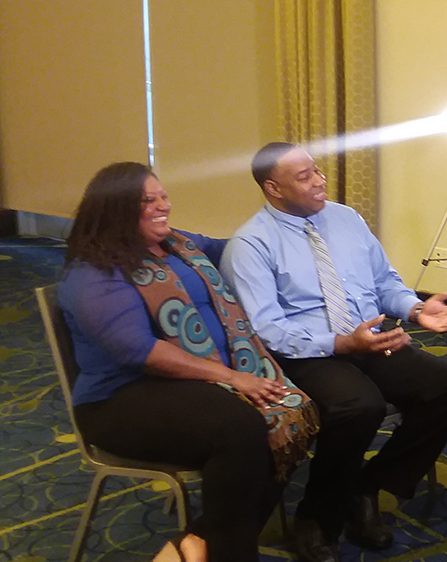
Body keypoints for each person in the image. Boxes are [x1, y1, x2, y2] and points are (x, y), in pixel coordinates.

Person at [220, 142, 447, 562]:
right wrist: (341, 343)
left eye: (316, 170)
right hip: (307, 352)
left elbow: (385, 283)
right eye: (304, 177)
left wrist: (414, 307)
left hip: (367, 339)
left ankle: (366, 485)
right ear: (273, 188)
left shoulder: (347, 220)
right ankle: (316, 517)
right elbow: (267, 330)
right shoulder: (251, 245)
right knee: (360, 406)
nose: (320, 180)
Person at [60, 162, 319, 561]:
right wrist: (233, 377)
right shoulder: (94, 273)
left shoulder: (177, 245)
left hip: (187, 385)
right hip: (119, 400)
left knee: (286, 408)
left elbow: (234, 247)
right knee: (240, 429)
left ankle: (195, 543)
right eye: (148, 200)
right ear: (115, 210)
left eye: (163, 195)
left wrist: (284, 229)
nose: (163, 205)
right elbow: (139, 351)